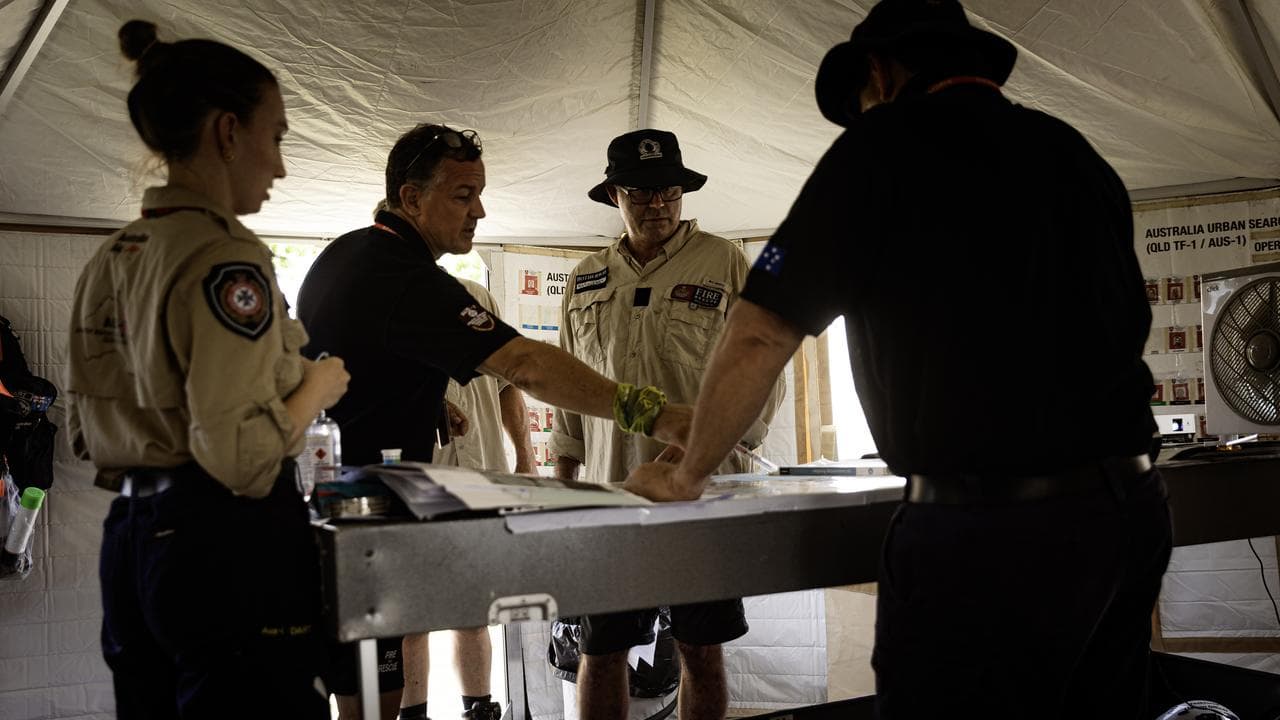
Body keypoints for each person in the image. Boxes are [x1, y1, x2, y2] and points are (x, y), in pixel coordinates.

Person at [625, 1, 1172, 718]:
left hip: (987, 534)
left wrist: (690, 471)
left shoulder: (881, 147)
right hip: (1128, 513)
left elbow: (761, 332)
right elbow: (1126, 322)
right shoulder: (1073, 150)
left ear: (881, 71)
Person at [296, 123, 692, 719]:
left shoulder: (346, 252)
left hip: (326, 505)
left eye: (479, 193)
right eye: (462, 195)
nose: (479, 210)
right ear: (411, 199)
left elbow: (350, 362)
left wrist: (429, 403)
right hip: (361, 516)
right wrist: (656, 414)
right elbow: (526, 364)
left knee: (357, 691)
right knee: (370, 701)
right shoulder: (406, 275)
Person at [66, 20, 350, 718]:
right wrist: (315, 388)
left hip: (132, 540)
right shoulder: (226, 257)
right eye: (276, 136)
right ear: (228, 132)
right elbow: (240, 456)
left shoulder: (115, 254)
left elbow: (85, 432)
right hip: (223, 545)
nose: (280, 166)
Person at [550, 129, 784, 720]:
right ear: (613, 196)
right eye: (642, 192)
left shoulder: (724, 260)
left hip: (698, 496)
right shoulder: (583, 278)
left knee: (700, 652)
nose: (658, 204)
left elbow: (765, 367)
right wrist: (562, 484)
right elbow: (566, 392)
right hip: (610, 497)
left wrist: (713, 450)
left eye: (670, 191)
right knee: (601, 651)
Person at [396, 277, 537, 720]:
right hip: (417, 482)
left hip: (481, 479)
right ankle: (412, 713)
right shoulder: (384, 300)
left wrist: (527, 457)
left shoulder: (476, 296)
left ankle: (479, 709)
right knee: (409, 614)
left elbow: (507, 383)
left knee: (474, 608)